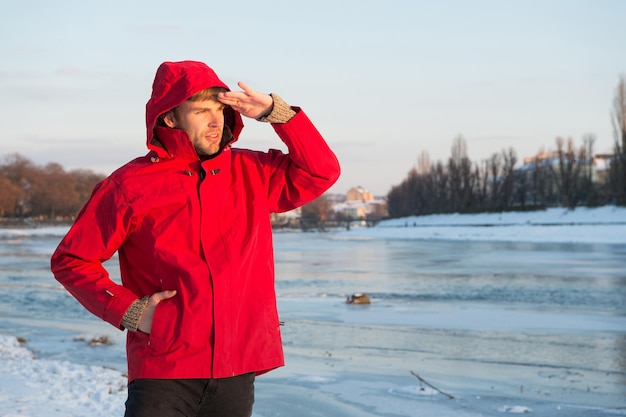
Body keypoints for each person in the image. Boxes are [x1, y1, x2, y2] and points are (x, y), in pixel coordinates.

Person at [50, 60, 340, 417]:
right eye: (202, 110)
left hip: (237, 368)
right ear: (170, 117)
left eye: (220, 109)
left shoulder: (253, 172)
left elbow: (321, 171)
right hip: (164, 371)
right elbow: (72, 260)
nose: (216, 120)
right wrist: (129, 310)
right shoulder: (128, 186)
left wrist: (278, 114)